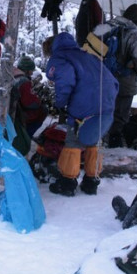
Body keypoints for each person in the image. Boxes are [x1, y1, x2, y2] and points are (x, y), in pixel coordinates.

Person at [44, 33, 118, 197]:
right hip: (106, 103)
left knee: (74, 141)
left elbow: (65, 81)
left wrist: (60, 103)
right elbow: (112, 79)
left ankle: (67, 183)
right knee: (94, 140)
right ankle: (91, 182)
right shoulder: (87, 56)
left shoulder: (60, 58)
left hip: (85, 107)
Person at [84, 4, 137, 148]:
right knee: (119, 117)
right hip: (124, 84)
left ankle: (94, 143)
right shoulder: (133, 33)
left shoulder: (105, 26)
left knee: (101, 112)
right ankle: (114, 147)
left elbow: (87, 50)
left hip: (100, 80)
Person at [12, 55, 48, 137]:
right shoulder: (24, 81)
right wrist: (39, 101)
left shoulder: (13, 76)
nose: (32, 73)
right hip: (19, 113)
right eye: (31, 70)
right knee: (43, 110)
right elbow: (29, 103)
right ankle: (26, 135)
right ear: (26, 70)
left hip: (14, 108)